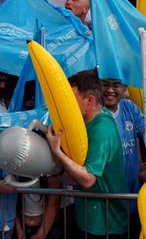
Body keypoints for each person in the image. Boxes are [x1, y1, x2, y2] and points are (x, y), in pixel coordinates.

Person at [46, 70, 129, 238]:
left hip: (106, 226)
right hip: (89, 219)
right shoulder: (92, 118)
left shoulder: (101, 130)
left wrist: (56, 151)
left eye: (71, 101)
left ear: (90, 100)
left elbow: (88, 179)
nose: (67, 106)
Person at [100, 78, 145, 198]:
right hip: (104, 195)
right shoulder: (93, 111)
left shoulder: (130, 107)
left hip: (132, 191)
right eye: (105, 85)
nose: (110, 90)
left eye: (116, 86)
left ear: (125, 88)